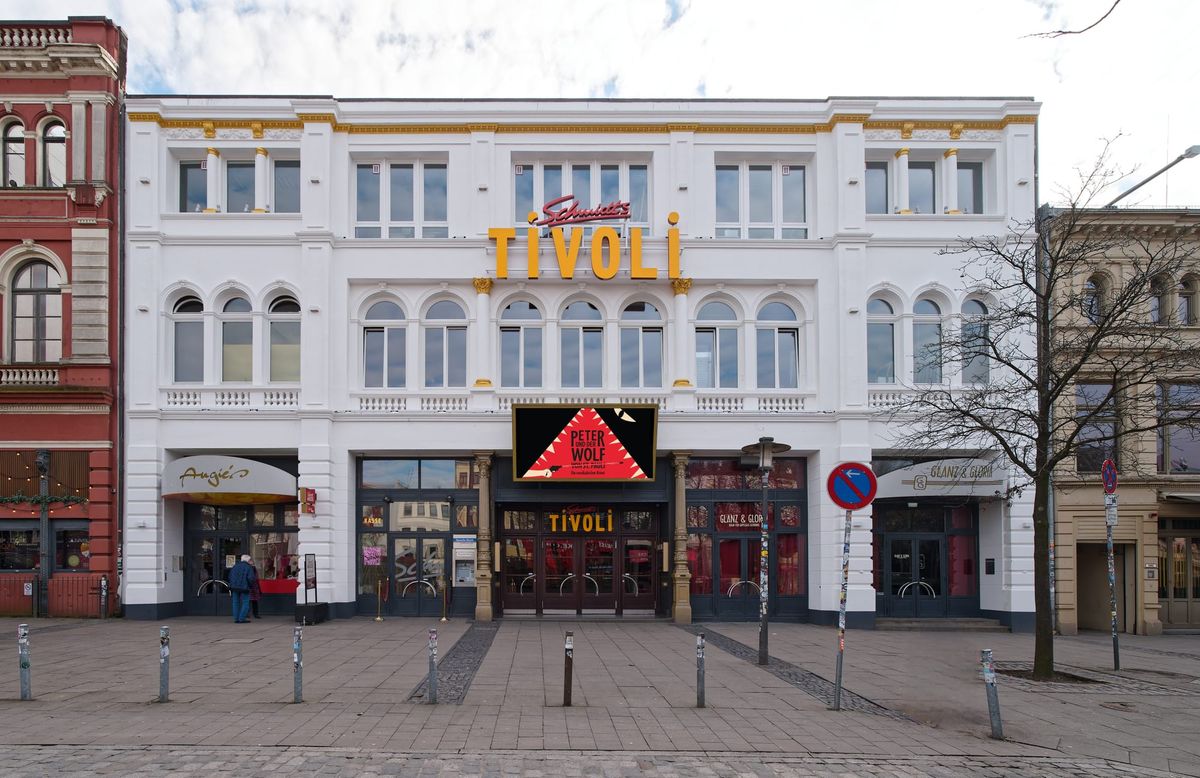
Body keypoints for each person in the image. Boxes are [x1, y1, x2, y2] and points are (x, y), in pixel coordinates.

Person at [227, 554, 257, 624]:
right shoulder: (248, 567)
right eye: (250, 560)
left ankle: (236, 618)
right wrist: (250, 586)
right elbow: (251, 578)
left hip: (234, 587)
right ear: (247, 560)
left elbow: (230, 576)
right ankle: (241, 618)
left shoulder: (235, 566)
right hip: (244, 587)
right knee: (245, 603)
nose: (251, 561)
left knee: (235, 602)